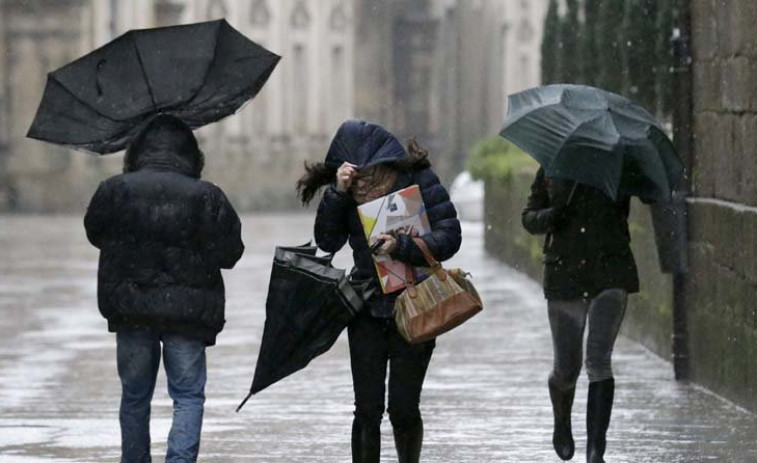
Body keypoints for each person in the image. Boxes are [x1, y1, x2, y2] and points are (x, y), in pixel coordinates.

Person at [296, 120, 461, 463]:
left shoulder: (416, 177)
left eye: (369, 170)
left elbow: (450, 236)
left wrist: (403, 246)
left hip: (415, 305)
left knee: (403, 407)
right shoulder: (346, 193)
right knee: (367, 409)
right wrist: (337, 195)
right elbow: (327, 241)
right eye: (355, 173)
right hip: (367, 308)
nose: (364, 180)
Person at [84, 114, 244, 463]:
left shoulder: (114, 191)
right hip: (187, 312)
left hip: (131, 308)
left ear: (136, 150)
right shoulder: (207, 196)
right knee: (187, 396)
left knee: (135, 396)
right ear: (191, 153)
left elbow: (95, 233)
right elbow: (231, 253)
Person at [522, 168, 639, 463]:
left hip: (610, 272)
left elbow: (648, 196)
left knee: (599, 360)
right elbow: (529, 218)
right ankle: (562, 421)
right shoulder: (554, 164)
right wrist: (554, 215)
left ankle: (596, 450)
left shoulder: (619, 163)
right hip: (566, 276)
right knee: (567, 368)